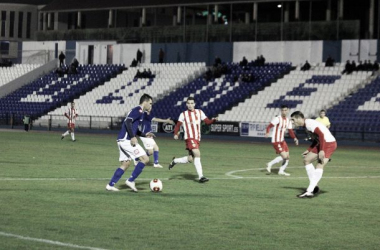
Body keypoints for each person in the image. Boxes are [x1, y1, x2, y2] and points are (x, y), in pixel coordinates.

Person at [106, 94, 154, 192]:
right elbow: (127, 122)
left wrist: (145, 135)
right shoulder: (138, 110)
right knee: (145, 159)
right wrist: (132, 137)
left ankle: (110, 185)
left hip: (122, 140)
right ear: (145, 102)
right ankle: (131, 180)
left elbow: (134, 129)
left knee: (125, 164)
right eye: (150, 103)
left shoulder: (139, 112)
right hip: (126, 140)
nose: (150, 106)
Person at [168, 97, 218, 183]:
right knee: (197, 153)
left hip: (197, 138)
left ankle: (175, 161)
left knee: (190, 159)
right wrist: (175, 134)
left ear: (194, 104)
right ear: (186, 104)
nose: (190, 105)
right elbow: (178, 125)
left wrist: (213, 120)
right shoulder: (183, 114)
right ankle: (201, 177)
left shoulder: (199, 112)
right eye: (188, 103)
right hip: (189, 137)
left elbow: (207, 122)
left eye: (192, 103)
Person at [290, 111, 337, 198]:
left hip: (329, 144)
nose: (292, 122)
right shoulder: (307, 125)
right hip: (322, 143)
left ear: (299, 118)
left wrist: (322, 151)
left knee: (319, 165)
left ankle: (309, 191)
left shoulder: (309, 124)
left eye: (293, 119)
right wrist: (309, 149)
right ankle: (314, 186)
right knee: (306, 160)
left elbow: (322, 136)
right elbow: (317, 138)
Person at [265, 105, 299, 176]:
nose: (284, 112)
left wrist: (295, 138)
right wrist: (267, 132)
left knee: (287, 157)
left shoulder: (288, 121)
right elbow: (269, 126)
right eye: (283, 110)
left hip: (282, 141)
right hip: (276, 141)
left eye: (285, 110)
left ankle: (281, 171)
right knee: (284, 157)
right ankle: (270, 164)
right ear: (281, 111)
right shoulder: (277, 119)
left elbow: (290, 131)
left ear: (288, 111)